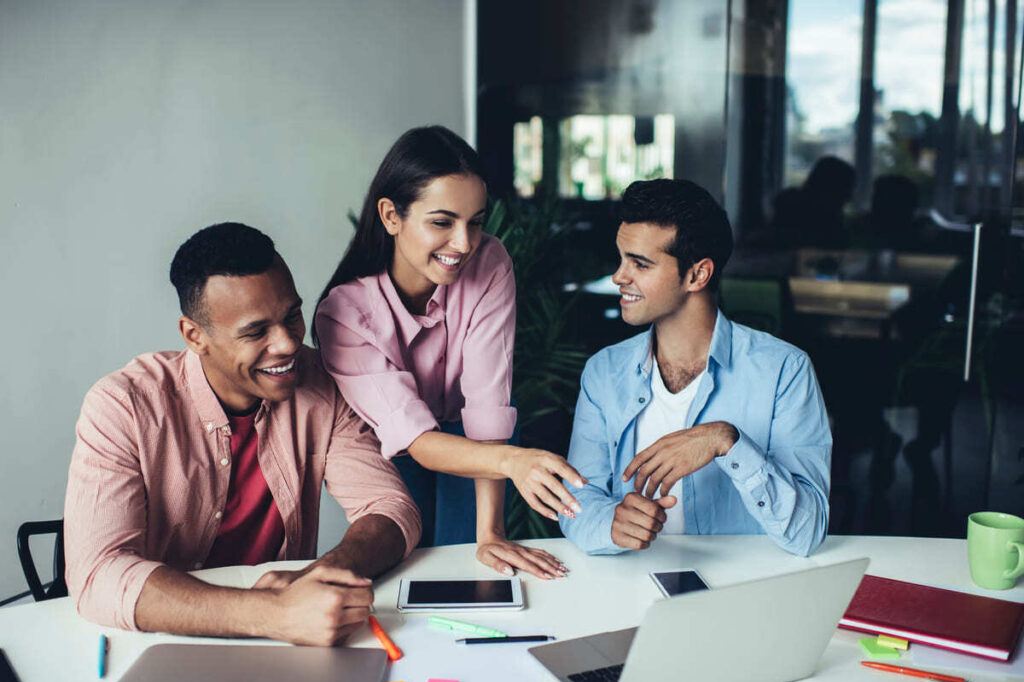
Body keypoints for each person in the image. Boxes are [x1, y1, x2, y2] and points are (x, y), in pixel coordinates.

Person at [64, 223, 421, 645]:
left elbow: (391, 508)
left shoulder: (322, 383)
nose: (287, 343)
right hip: (165, 642)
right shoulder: (122, 405)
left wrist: (318, 579)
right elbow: (98, 574)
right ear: (195, 336)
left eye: (292, 316)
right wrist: (270, 614)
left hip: (287, 639)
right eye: (256, 332)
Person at [314, 126, 585, 580]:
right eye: (442, 222)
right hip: (395, 444)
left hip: (478, 437)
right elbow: (415, 438)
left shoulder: (491, 263)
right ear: (390, 215)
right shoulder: (343, 315)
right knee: (409, 568)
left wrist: (492, 533)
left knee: (475, 566)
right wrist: (513, 462)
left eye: (475, 221)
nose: (464, 243)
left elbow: (487, 406)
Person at [560, 179, 831, 557]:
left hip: (744, 592)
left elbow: (808, 531)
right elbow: (577, 500)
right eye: (621, 259)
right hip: (632, 582)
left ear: (697, 275)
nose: (619, 277)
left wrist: (728, 442)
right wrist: (610, 522)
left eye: (640, 263)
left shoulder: (785, 371)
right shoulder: (603, 372)